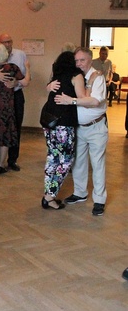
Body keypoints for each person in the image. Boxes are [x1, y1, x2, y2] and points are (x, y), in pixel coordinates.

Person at [52, 47, 108, 216]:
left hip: (96, 127)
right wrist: (49, 86)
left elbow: (95, 101)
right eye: (76, 60)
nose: (79, 64)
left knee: (97, 164)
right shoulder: (74, 76)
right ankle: (80, 192)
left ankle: (99, 200)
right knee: (78, 162)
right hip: (78, 127)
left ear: (90, 59)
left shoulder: (98, 77)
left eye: (82, 60)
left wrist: (72, 101)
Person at [40, 51, 93, 210]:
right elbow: (82, 98)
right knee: (65, 160)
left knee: (52, 157)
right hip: (64, 124)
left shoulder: (56, 76)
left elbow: (50, 89)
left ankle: (48, 194)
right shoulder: (76, 76)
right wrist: (90, 85)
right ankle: (49, 196)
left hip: (49, 121)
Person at [0, 33, 30, 171]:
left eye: (9, 41)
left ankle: (12, 160)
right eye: (3, 42)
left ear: (12, 42)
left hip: (14, 96)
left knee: (14, 129)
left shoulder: (20, 54)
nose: (7, 44)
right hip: (3, 101)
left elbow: (24, 80)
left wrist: (16, 83)